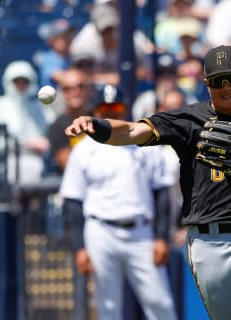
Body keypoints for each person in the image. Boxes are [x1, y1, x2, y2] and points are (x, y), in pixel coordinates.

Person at [65, 45, 231, 320]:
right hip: (209, 242)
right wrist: (97, 126)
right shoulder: (189, 120)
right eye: (216, 82)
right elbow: (131, 131)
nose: (226, 88)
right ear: (205, 84)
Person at [60, 84, 178, 320]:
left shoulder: (144, 144)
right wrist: (79, 247)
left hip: (141, 230)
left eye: (117, 106)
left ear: (125, 109)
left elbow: (162, 192)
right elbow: (72, 200)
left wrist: (162, 237)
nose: (112, 112)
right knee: (108, 306)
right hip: (101, 230)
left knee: (159, 302)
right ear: (97, 111)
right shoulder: (84, 149)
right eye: (106, 107)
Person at [0, 60, 54, 184]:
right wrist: (23, 144)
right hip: (3, 159)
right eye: (16, 81)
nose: (21, 85)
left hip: (35, 161)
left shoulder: (40, 109)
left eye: (25, 81)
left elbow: (52, 136)